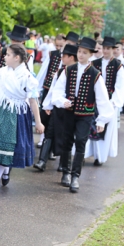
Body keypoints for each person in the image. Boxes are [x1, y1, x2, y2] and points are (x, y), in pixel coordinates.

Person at [50, 37, 115, 193]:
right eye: (79, 51)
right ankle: (65, 172)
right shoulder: (68, 70)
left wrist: (101, 121)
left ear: (91, 54)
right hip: (69, 112)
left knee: (80, 141)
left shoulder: (95, 74)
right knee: (66, 141)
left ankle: (75, 176)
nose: (80, 55)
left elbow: (102, 98)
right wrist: (62, 100)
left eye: (84, 52)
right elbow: (57, 90)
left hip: (85, 114)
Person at [0, 44, 44, 194]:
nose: (5, 57)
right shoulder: (1, 73)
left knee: (6, 148)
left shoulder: (28, 77)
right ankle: (4, 170)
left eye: (8, 55)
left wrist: (39, 121)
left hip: (15, 114)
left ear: (17, 58)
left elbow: (33, 101)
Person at [86, 36, 124, 166]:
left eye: (108, 48)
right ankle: (85, 153)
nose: (106, 51)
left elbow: (119, 86)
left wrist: (113, 102)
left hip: (109, 102)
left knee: (104, 130)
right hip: (94, 101)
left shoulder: (118, 65)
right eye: (104, 48)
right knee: (89, 127)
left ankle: (100, 156)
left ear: (113, 49)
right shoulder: (94, 63)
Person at [38, 44, 78, 172]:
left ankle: (63, 164)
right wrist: (48, 105)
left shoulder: (79, 72)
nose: (61, 58)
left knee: (66, 136)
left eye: (64, 56)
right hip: (57, 107)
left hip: (71, 110)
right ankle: (42, 161)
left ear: (71, 57)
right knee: (49, 132)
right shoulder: (61, 71)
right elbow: (53, 90)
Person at [0, 25, 32, 91]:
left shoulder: (27, 57)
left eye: (18, 41)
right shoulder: (2, 51)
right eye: (13, 39)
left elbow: (29, 77)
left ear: (23, 41)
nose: (15, 42)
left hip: (16, 90)